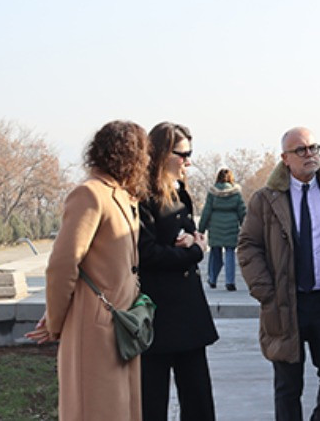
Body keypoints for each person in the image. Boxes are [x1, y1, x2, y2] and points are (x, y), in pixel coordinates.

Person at [237, 126, 320, 421]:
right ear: (285, 158)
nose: (310, 155)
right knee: (288, 386)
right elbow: (248, 246)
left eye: (313, 148)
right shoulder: (267, 199)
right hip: (286, 304)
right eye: (301, 150)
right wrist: (266, 292)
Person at [25, 120, 150, 421]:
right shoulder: (90, 195)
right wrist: (56, 320)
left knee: (118, 408)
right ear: (130, 155)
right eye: (143, 153)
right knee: (95, 409)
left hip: (121, 324)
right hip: (96, 328)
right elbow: (62, 264)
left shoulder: (121, 195)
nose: (146, 161)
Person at [138, 122, 218, 420]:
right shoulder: (143, 197)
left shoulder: (181, 192)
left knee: (198, 400)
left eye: (189, 153)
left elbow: (191, 236)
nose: (188, 160)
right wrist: (193, 252)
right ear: (160, 153)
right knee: (152, 401)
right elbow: (146, 254)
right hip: (158, 313)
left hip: (188, 311)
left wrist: (193, 242)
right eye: (182, 154)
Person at [198, 168, 246, 291]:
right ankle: (230, 282)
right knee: (230, 253)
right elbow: (242, 211)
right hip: (231, 226)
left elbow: (207, 211)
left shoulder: (213, 192)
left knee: (215, 253)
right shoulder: (236, 193)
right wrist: (246, 227)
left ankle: (212, 279)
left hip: (215, 226)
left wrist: (201, 229)